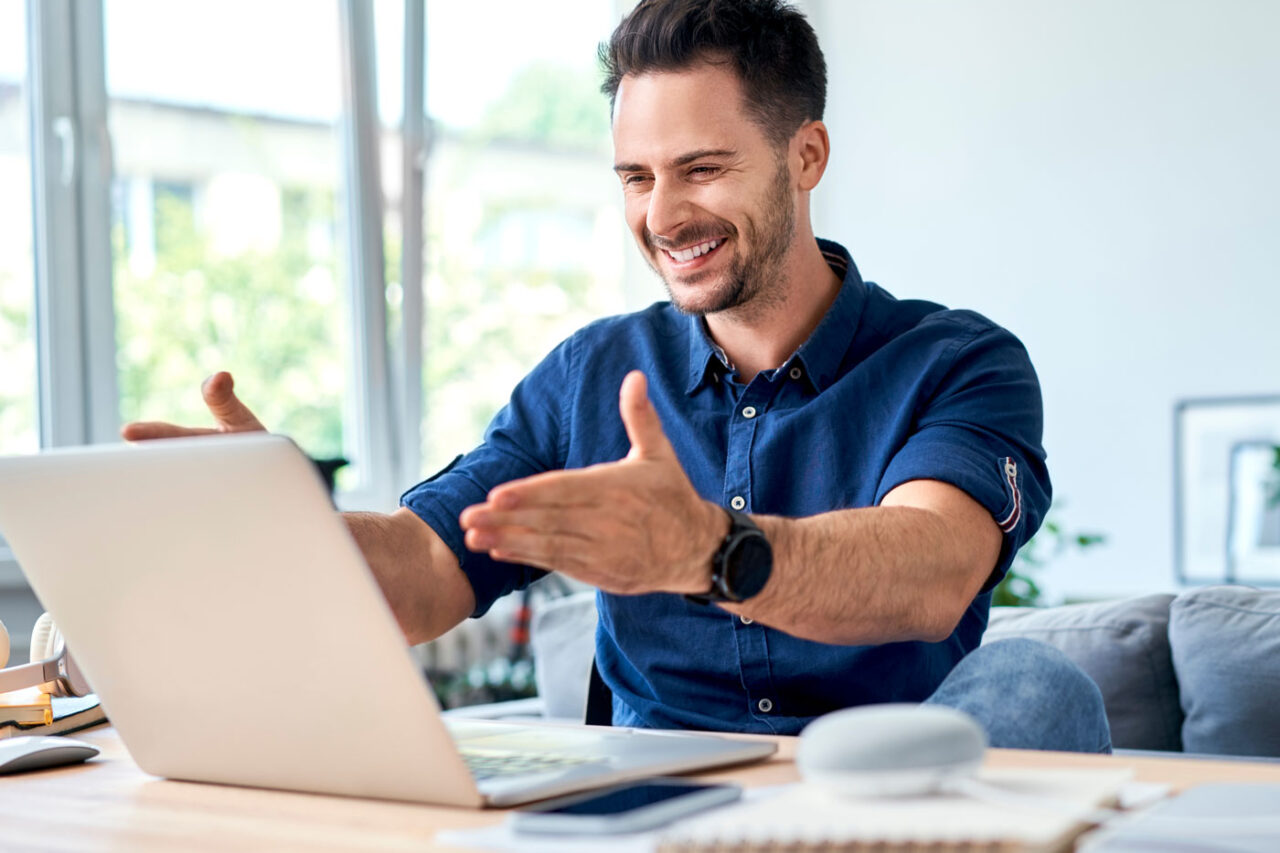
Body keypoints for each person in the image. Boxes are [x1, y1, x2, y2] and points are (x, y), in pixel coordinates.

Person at [124, 0, 1110, 751]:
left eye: (701, 168)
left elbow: (929, 567)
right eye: (635, 178)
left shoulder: (955, 361)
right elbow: (428, 569)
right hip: (660, 799)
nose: (663, 213)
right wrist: (283, 527)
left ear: (803, 156)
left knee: (1034, 684)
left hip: (887, 791)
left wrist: (709, 551)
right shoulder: (589, 376)